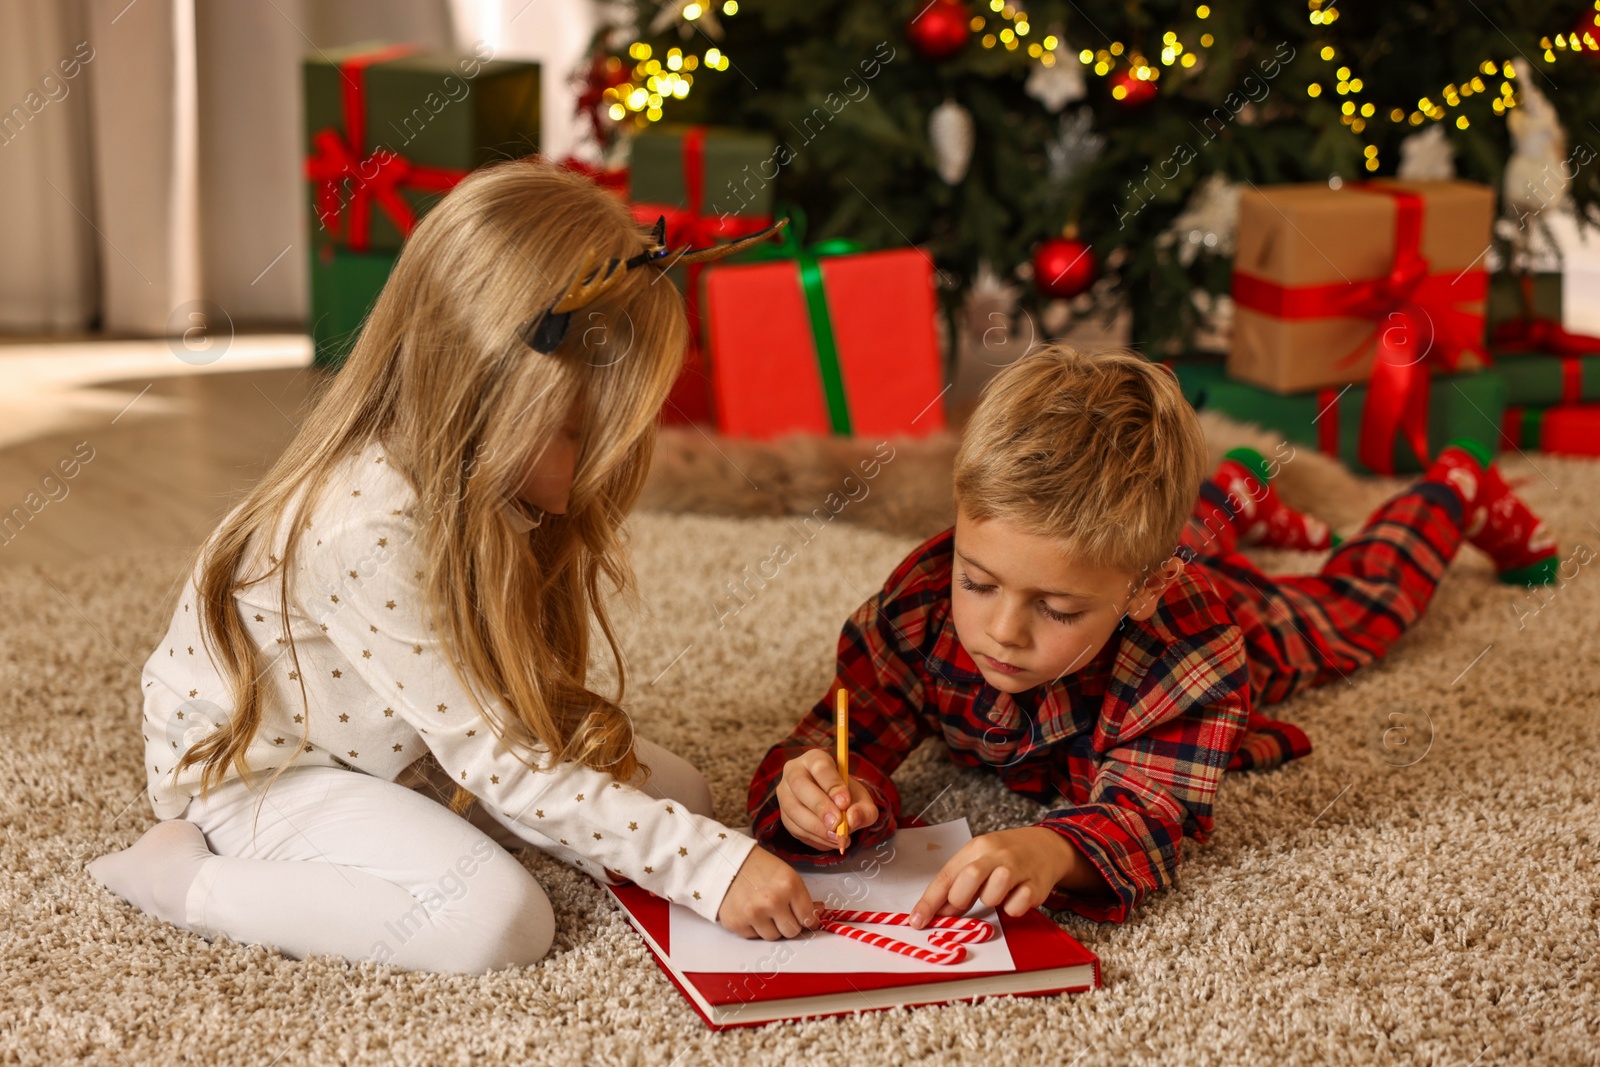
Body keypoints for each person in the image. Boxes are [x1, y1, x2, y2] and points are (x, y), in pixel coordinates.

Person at [88, 158, 818, 975]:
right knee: (496, 920)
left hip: (400, 744)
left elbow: (500, 727)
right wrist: (710, 869)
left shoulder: (494, 484)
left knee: (682, 799)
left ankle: (425, 813)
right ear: (492, 401)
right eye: (584, 433)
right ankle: (183, 880)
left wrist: (684, 848)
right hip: (265, 770)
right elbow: (499, 758)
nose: (618, 463)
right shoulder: (362, 527)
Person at [749, 345, 1557, 927]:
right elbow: (839, 730)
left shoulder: (1190, 647)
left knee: (1357, 610)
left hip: (1240, 617)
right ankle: (1237, 490)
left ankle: (1454, 489)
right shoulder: (922, 603)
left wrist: (1048, 850)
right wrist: (818, 783)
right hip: (1143, 560)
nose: (999, 630)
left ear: (1147, 588)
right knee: (1160, 536)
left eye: (1056, 610)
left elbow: (1151, 807)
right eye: (979, 579)